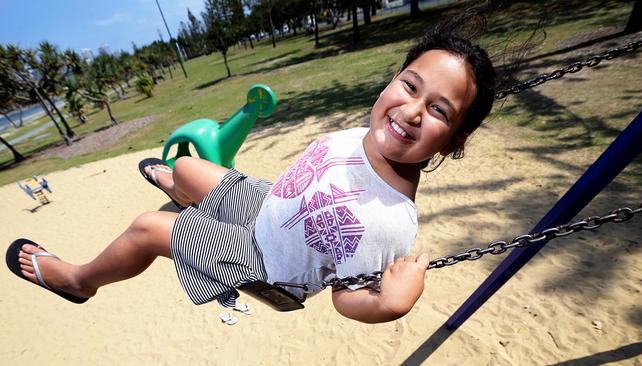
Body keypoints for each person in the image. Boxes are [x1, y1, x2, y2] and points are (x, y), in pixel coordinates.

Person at [7, 28, 496, 324]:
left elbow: (347, 297)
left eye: (438, 110)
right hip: (271, 206)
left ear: (452, 140)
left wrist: (389, 304)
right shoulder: (368, 129)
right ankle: (180, 188)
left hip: (271, 262)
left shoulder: (389, 222)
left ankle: (78, 280)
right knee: (186, 167)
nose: (411, 110)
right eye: (410, 85)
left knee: (149, 228)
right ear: (394, 79)